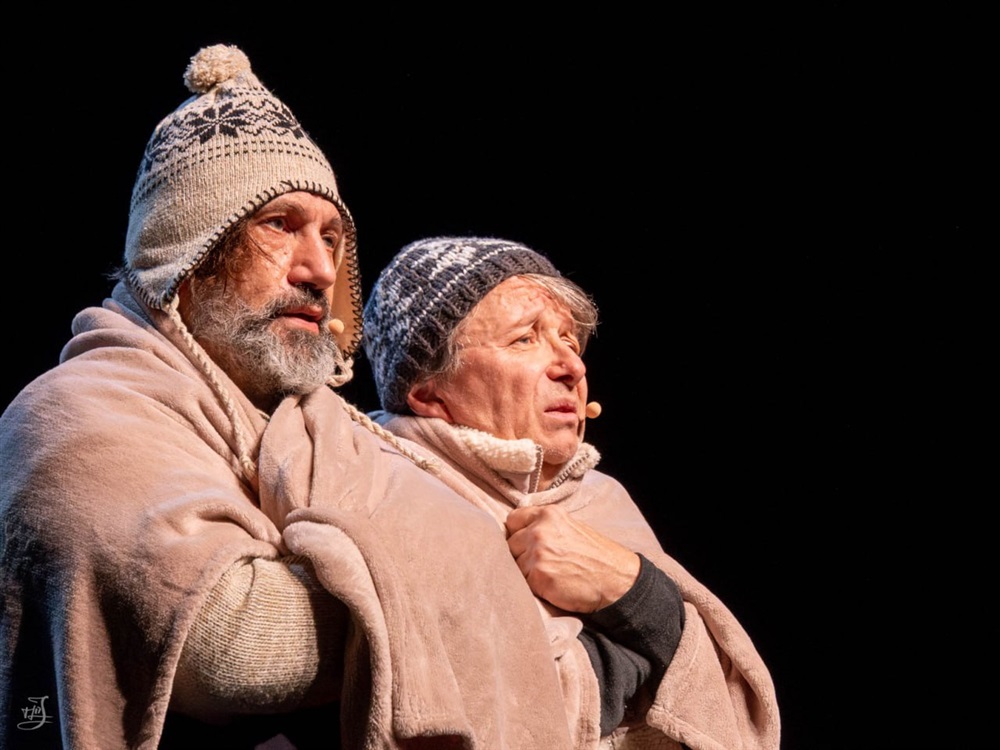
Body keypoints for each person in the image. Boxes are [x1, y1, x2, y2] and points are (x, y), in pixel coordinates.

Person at [0, 46, 581, 750]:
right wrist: (497, 595)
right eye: (279, 224)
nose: (320, 270)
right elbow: (234, 645)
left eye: (332, 237)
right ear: (185, 253)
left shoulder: (326, 428)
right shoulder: (75, 414)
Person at [362, 237, 782, 749]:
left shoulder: (601, 498)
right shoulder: (386, 493)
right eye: (524, 339)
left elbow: (727, 700)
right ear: (429, 392)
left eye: (570, 342)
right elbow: (477, 708)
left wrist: (633, 589)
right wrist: (635, 661)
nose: (572, 367)